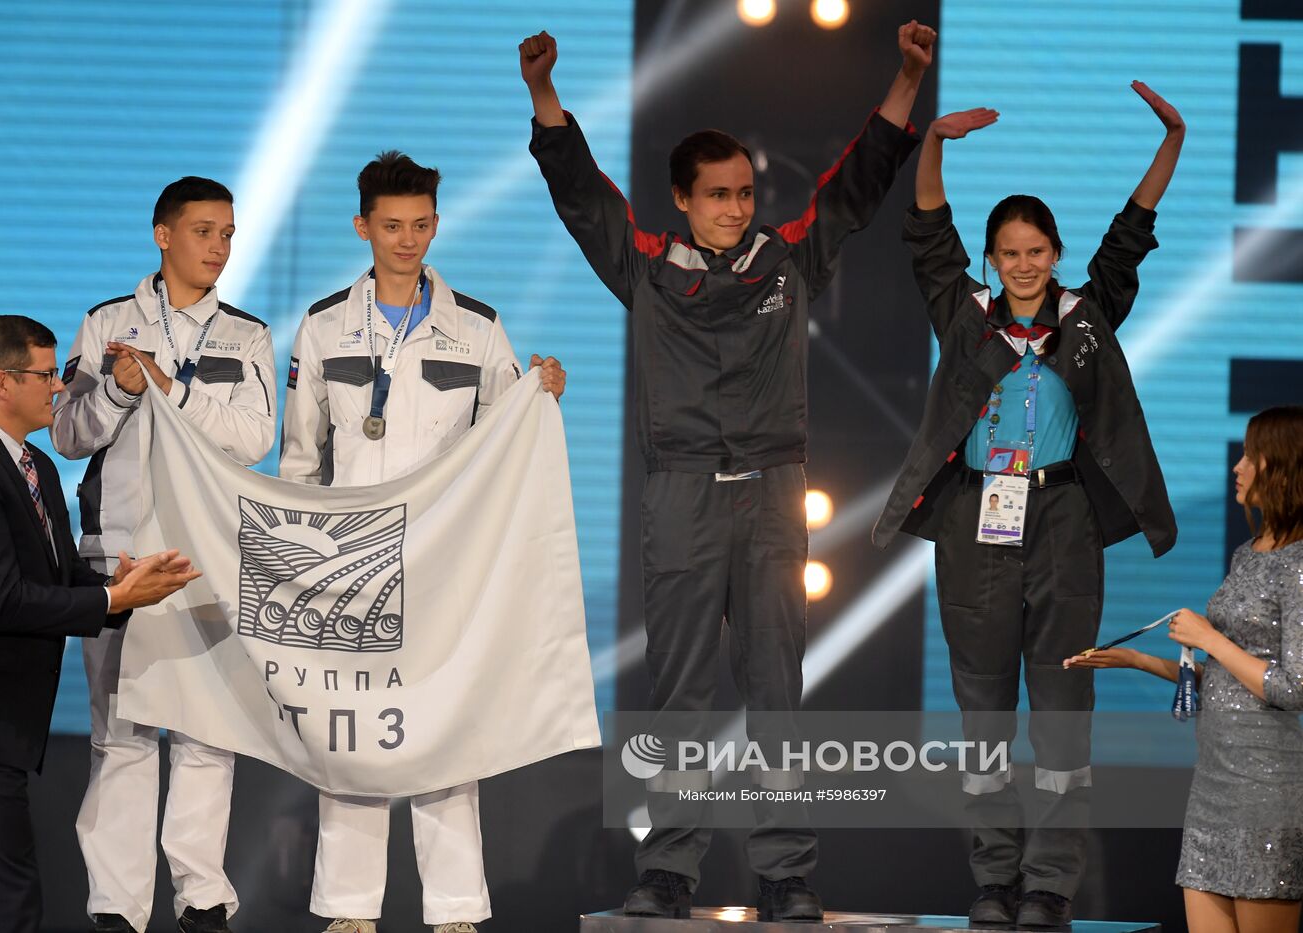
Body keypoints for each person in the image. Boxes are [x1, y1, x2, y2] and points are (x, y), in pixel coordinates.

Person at [521, 21, 932, 921]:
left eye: (745, 193)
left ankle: (785, 870)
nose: (737, 208)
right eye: (718, 196)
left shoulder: (786, 257)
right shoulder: (647, 266)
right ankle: (668, 867)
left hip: (777, 492)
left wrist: (905, 78)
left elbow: (859, 183)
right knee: (679, 690)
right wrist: (545, 95)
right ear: (681, 198)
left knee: (776, 689)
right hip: (681, 490)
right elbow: (581, 195)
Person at [871, 83, 1185, 926]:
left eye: (1037, 249)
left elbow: (1131, 239)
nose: (1023, 264)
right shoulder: (962, 313)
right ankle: (992, 881)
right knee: (982, 712)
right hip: (975, 520)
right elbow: (926, 228)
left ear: (1054, 251)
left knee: (1062, 711)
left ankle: (1048, 884)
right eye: (1008, 251)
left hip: (1062, 523)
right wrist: (932, 138)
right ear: (991, 257)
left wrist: (1173, 141)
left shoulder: (1087, 317)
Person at [280, 150, 565, 933]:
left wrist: (544, 391)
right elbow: (302, 462)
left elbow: (511, 438)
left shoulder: (477, 327)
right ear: (363, 226)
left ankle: (455, 913)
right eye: (391, 225)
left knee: (444, 735)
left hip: (444, 563)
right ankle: (348, 913)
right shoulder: (321, 324)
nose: (407, 240)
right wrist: (306, 564)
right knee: (351, 738)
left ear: (437, 224)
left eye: (420, 225)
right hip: (347, 565)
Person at [0, 315, 200, 933]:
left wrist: (130, 589)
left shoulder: (29, 463)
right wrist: (114, 600)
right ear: (2, 382)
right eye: (47, 376)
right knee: (6, 910)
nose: (60, 388)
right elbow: (1, 602)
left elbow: (57, 581)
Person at [50, 177, 277, 933]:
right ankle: (115, 908)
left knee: (210, 731)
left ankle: (202, 899)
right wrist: (116, 391)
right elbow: (68, 433)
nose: (219, 246)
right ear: (163, 234)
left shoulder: (246, 334)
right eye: (205, 230)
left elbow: (252, 440)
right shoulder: (107, 321)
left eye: (228, 233)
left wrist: (167, 386)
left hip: (208, 558)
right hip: (118, 563)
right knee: (122, 734)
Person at [1065, 406, 1303, 933]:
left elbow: (1292, 687)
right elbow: (1227, 679)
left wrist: (1210, 638)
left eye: (1252, 456)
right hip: (1212, 789)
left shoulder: (1300, 564)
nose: (1238, 467)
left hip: (1266, 792)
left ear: (1283, 467)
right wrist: (1132, 659)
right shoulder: (1249, 553)